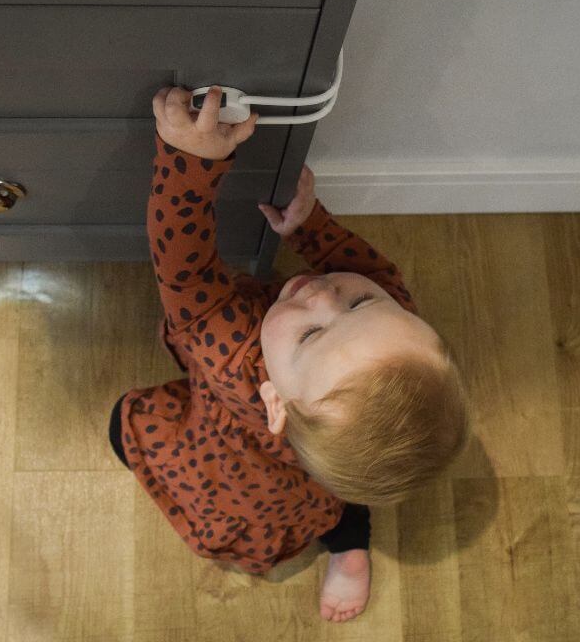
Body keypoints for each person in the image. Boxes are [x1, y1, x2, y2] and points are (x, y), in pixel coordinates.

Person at [109, 85, 470, 622]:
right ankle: (348, 543)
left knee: (124, 425)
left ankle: (347, 547)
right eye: (360, 304)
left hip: (242, 467)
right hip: (316, 478)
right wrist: (311, 226)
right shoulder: (388, 318)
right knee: (338, 496)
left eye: (311, 335)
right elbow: (371, 272)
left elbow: (183, 263)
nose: (322, 293)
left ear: (274, 401)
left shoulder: (230, 350)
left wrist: (189, 161)